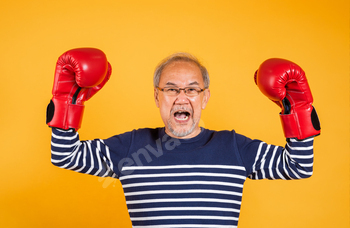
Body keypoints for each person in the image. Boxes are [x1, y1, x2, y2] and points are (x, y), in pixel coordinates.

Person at [47, 48, 320, 227]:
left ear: (205, 98)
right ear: (157, 96)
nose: (181, 98)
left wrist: (296, 110)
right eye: (170, 89)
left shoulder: (233, 146)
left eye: (191, 89)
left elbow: (297, 166)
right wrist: (67, 103)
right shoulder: (132, 146)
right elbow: (65, 155)